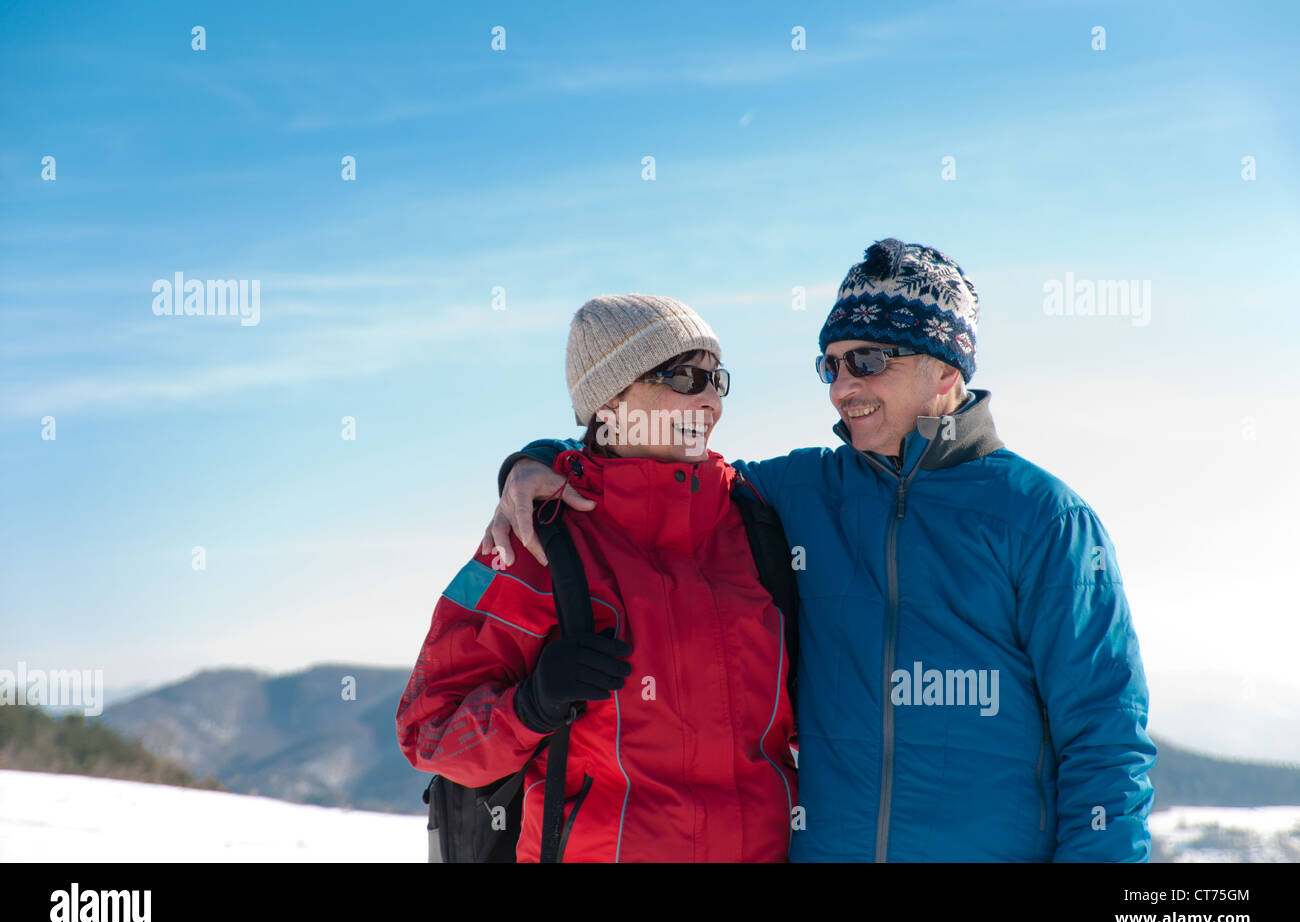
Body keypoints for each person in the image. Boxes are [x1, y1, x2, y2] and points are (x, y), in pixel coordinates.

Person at [486, 240, 1158, 862]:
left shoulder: (1042, 518)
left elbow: (1105, 745)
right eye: (830, 365)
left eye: (868, 361)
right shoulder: (797, 491)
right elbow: (652, 472)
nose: (841, 388)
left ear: (946, 366)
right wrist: (536, 462)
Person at [396, 294, 797, 862]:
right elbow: (427, 730)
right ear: (610, 402)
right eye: (683, 377)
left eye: (717, 378)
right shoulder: (534, 543)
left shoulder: (758, 520)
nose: (709, 401)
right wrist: (531, 706)